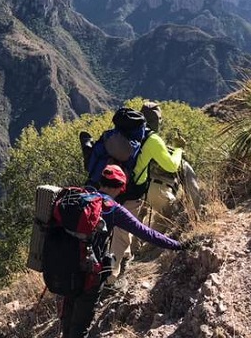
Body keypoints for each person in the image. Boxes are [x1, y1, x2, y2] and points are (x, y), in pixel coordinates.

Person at [60, 164, 186, 338]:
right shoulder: (112, 208)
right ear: (121, 188)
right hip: (89, 274)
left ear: (101, 182)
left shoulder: (80, 198)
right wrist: (177, 245)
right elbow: (146, 232)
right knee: (80, 327)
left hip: (65, 269)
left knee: (68, 320)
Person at [108, 101, 202, 285]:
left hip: (111, 187)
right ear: (158, 120)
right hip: (134, 192)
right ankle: (110, 279)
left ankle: (126, 258)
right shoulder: (152, 140)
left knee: (119, 230)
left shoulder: (124, 135)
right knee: (123, 234)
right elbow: (171, 165)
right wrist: (179, 149)